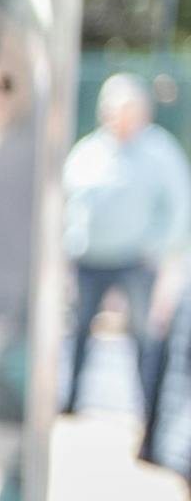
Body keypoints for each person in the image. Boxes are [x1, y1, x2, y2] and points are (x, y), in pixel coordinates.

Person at [62, 72, 191, 420]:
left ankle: (148, 413)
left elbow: (179, 206)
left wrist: (158, 250)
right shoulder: (89, 150)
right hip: (89, 259)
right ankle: (70, 400)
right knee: (78, 332)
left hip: (136, 262)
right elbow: (67, 199)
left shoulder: (160, 152)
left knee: (143, 339)